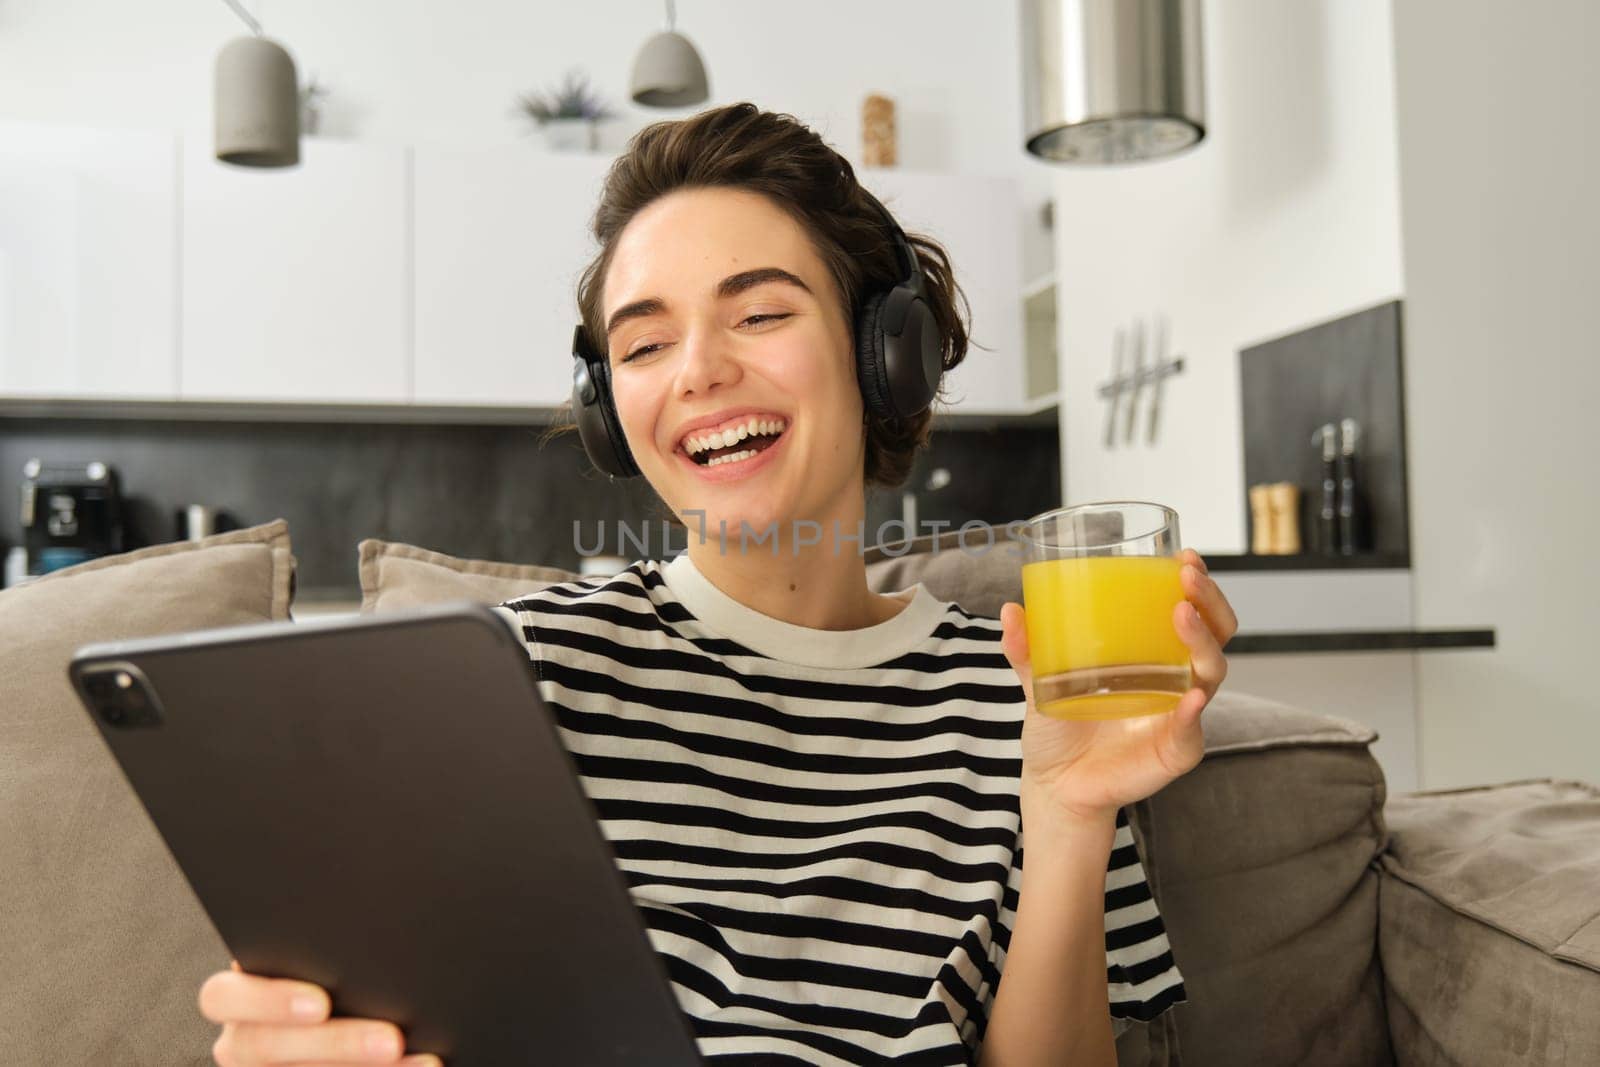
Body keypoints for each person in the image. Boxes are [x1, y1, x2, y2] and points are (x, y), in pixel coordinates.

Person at [198, 103, 1237, 1066]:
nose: (695, 371)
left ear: (888, 351)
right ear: (611, 410)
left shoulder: (1029, 690)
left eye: (758, 314)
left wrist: (1065, 814)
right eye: (644, 343)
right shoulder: (511, 675)